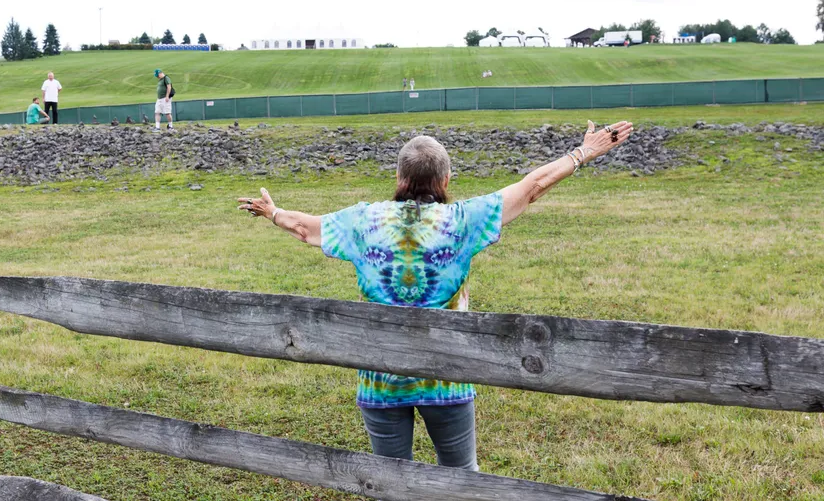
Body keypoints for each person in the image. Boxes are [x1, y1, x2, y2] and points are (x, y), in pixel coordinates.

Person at [237, 119, 633, 469]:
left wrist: (273, 212)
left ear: (399, 178)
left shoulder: (362, 221)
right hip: (448, 378)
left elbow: (305, 228)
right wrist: (582, 152)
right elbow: (532, 187)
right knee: (460, 480)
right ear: (444, 181)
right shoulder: (462, 222)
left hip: (380, 380)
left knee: (392, 482)